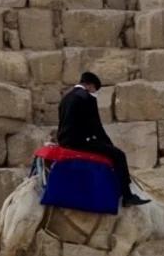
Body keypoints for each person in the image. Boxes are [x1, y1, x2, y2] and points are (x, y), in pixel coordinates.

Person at [56, 72, 148, 206]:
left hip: (65, 142)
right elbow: (96, 127)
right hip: (79, 142)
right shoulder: (86, 97)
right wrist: (110, 145)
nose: (94, 92)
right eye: (94, 89)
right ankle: (127, 196)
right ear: (90, 85)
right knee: (119, 155)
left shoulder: (66, 98)